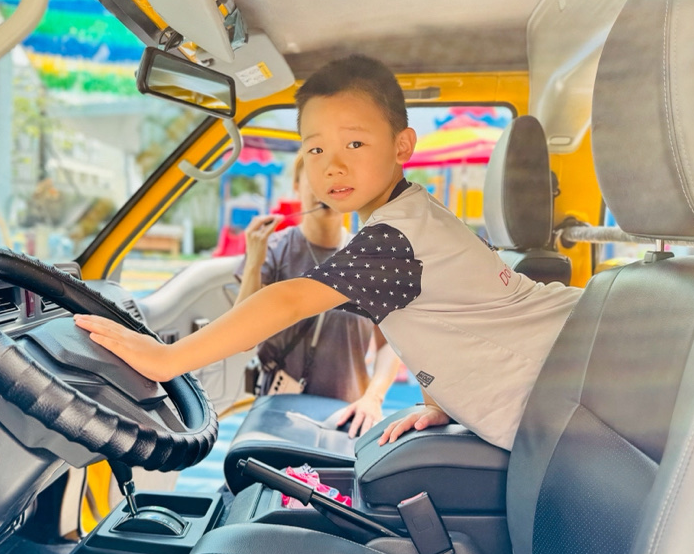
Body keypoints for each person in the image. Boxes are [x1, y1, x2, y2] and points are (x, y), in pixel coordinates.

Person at [75, 54, 582, 451]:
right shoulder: (414, 218)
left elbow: (288, 300)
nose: (332, 166)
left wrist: (166, 359)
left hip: (572, 387)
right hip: (558, 387)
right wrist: (438, 401)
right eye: (315, 149)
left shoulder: (397, 236)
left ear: (402, 146)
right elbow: (430, 319)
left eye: (354, 145)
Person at [235, 154, 400, 437]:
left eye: (339, 179)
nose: (327, 186)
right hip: (277, 416)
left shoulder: (371, 260)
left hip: (345, 419)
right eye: (315, 177)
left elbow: (392, 343)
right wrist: (254, 263)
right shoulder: (274, 250)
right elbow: (242, 337)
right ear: (296, 185)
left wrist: (373, 398)